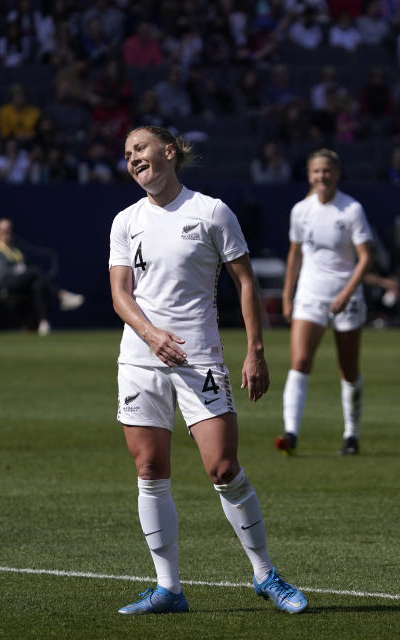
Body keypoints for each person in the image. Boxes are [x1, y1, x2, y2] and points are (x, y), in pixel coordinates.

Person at [110, 125, 307, 615]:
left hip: (200, 358)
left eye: (140, 148)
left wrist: (255, 350)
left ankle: (265, 575)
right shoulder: (124, 220)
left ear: (169, 152)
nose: (133, 158)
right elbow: (120, 294)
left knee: (223, 468)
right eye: (127, 153)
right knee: (150, 470)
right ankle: (168, 589)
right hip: (140, 360)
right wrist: (151, 335)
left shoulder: (211, 211)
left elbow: (244, 283)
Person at [276, 149, 373, 456]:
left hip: (347, 297)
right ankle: (290, 433)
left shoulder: (351, 210)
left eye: (327, 171)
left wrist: (346, 293)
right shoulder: (301, 211)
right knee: (301, 361)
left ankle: (351, 434)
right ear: (309, 175)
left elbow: (366, 257)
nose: (322, 177)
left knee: (348, 368)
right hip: (310, 293)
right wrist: (287, 294)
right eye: (316, 172)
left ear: (337, 174)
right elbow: (295, 253)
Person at [0, 218, 84, 334]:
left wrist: (21, 270)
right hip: (5, 283)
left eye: (9, 230)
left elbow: (23, 265)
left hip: (20, 282)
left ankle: (44, 323)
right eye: (4, 231)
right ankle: (61, 295)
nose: (8, 234)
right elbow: (2, 271)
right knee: (35, 270)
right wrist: (18, 270)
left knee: (38, 285)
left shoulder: (15, 249)